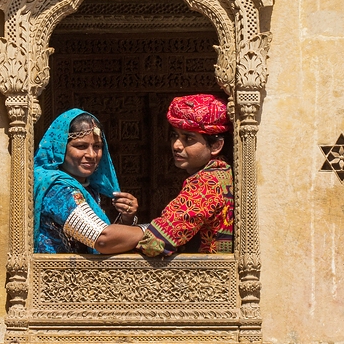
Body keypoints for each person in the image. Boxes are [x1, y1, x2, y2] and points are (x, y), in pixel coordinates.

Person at [93, 93, 234, 256]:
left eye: (188, 139)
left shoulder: (207, 182)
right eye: (175, 136)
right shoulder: (223, 173)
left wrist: (143, 232)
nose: (176, 145)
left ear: (216, 145)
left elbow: (156, 242)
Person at [34, 109, 139, 253]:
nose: (91, 155)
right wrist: (158, 231)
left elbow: (97, 239)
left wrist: (127, 219)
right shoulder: (58, 189)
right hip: (58, 274)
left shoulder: (88, 189)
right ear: (60, 148)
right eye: (81, 146)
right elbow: (102, 240)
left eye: (97, 147)